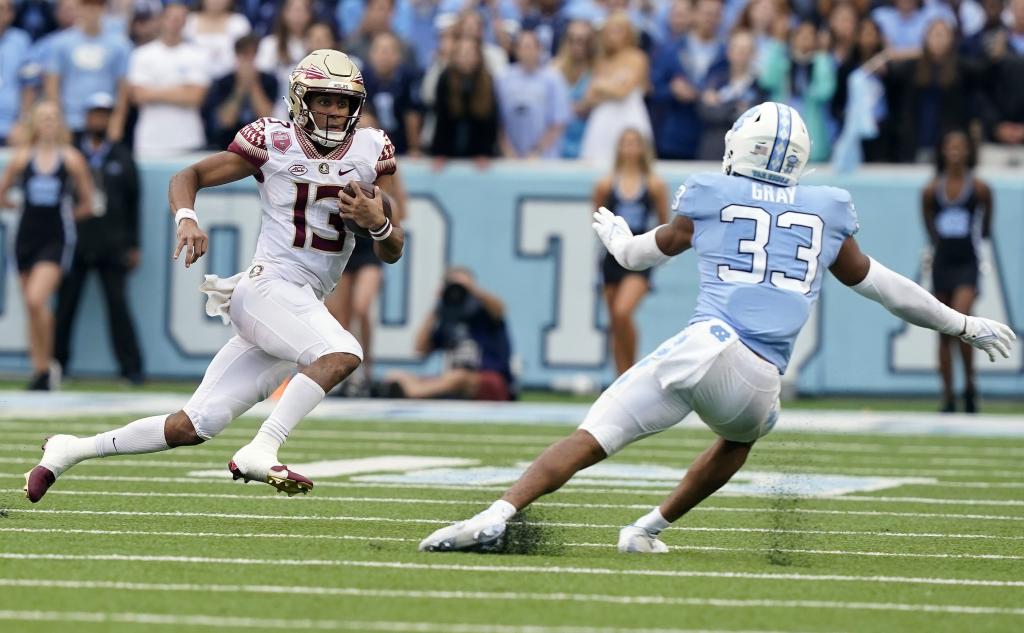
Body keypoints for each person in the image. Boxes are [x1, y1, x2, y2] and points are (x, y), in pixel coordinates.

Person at [418, 101, 1015, 554]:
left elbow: (636, 259)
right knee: (738, 440)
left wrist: (619, 239)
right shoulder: (828, 207)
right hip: (760, 381)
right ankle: (646, 530)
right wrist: (962, 323)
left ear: (744, 148)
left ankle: (497, 514)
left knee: (592, 435)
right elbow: (887, 287)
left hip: (707, 344)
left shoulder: (710, 191)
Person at [24, 49, 405, 504]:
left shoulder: (370, 150)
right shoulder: (273, 140)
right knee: (343, 351)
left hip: (296, 303)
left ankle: (70, 450)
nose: (333, 111)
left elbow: (393, 249)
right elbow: (191, 174)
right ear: (301, 100)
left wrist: (376, 220)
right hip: (269, 287)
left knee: (191, 426)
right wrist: (186, 217)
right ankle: (262, 448)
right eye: (324, 100)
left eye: (343, 103)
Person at [0, 101, 93, 391]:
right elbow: (3, 193)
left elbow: (88, 203)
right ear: (34, 124)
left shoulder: (71, 159)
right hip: (27, 235)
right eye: (43, 118)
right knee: (31, 306)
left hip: (55, 236)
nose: (48, 123)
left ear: (60, 123)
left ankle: (50, 363)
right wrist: (17, 207)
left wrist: (67, 214)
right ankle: (39, 368)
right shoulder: (21, 157)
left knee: (36, 299)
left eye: (53, 117)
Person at [54, 92, 144, 386]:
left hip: (111, 242)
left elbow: (134, 202)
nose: (99, 120)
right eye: (95, 114)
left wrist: (133, 244)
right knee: (66, 305)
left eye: (105, 114)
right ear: (86, 117)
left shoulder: (120, 153)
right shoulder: (70, 154)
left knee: (118, 305)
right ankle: (57, 364)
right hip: (76, 241)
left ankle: (131, 369)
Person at [324, 106, 409, 398]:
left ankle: (368, 371)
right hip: (344, 242)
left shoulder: (385, 166)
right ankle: (346, 376)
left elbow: (401, 211)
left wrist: (377, 212)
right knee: (342, 317)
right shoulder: (339, 159)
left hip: (371, 242)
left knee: (362, 307)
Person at [922, 129, 992, 413]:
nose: (955, 151)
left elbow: (986, 225)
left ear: (968, 152)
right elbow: (929, 225)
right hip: (943, 264)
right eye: (950, 146)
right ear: (942, 151)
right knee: (943, 332)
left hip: (967, 263)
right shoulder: (930, 190)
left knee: (963, 325)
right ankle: (948, 395)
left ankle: (970, 386)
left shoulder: (979, 189)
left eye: (960, 146)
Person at [594, 128, 668, 377]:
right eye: (625, 143)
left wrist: (657, 257)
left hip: (639, 256)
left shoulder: (654, 184)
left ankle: (633, 370)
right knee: (615, 321)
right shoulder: (606, 184)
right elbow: (598, 219)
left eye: (635, 143)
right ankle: (620, 377)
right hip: (611, 258)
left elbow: (663, 223)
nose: (630, 149)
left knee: (623, 311)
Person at [383, 267, 514, 401]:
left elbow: (500, 309)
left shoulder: (486, 313)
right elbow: (420, 348)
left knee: (458, 377)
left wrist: (472, 290)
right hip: (450, 381)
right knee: (395, 376)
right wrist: (437, 306)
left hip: (488, 380)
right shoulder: (448, 319)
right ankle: (415, 391)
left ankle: (412, 393)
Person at [127, 2, 211, 158]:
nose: (175, 22)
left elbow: (195, 97)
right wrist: (181, 90)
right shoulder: (141, 54)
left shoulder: (198, 55)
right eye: (171, 18)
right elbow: (138, 95)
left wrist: (153, 91)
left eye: (180, 18)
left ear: (186, 22)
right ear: (161, 19)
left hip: (188, 139)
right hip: (150, 141)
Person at [43, 0, 131, 142]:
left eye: (97, 7)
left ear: (104, 10)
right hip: (71, 120)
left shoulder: (120, 45)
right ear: (79, 9)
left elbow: (123, 87)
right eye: (87, 7)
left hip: (104, 119)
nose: (92, 12)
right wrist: (59, 122)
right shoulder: (60, 43)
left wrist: (117, 121)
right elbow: (52, 86)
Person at [577, 10, 651, 168]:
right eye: (609, 31)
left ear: (628, 33)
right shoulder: (602, 61)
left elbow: (623, 92)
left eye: (617, 30)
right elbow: (588, 97)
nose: (612, 35)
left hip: (629, 119)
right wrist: (608, 87)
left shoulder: (637, 57)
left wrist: (601, 86)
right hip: (602, 121)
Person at [496, 29, 571, 159]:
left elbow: (558, 122)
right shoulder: (503, 78)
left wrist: (536, 152)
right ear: (516, 50)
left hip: (544, 158)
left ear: (539, 49)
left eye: (531, 47)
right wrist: (508, 151)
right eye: (524, 47)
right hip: (510, 157)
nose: (528, 51)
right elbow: (497, 121)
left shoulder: (554, 79)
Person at [202, 34, 278, 150]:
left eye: (252, 55)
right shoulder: (223, 82)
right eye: (244, 55)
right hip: (228, 144)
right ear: (237, 56)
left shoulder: (269, 81)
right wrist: (240, 87)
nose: (248, 61)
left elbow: (266, 116)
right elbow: (226, 121)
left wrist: (253, 85)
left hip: (261, 145)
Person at [183, 0, 253, 81]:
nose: (216, 1)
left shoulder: (239, 23)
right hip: (191, 79)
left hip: (230, 80)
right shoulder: (189, 21)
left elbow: (246, 55)